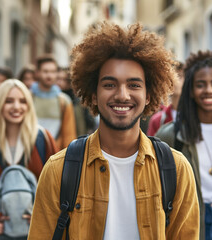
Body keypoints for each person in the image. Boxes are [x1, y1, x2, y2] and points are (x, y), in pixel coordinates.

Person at [28, 21, 199, 239]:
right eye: (109, 84)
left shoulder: (176, 169)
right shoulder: (58, 170)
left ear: (148, 96)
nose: (122, 95)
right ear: (93, 95)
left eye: (134, 85)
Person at [156, 50, 212, 240]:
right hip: (190, 219)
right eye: (200, 84)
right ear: (190, 91)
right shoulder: (171, 135)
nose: (209, 91)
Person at [0, 79, 58, 240]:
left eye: (22, 101)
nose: (16, 107)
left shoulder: (42, 138)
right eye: (9, 101)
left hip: (37, 230)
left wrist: (43, 214)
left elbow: (57, 183)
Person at [30, 55, 76, 150]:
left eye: (53, 72)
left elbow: (69, 135)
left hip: (55, 153)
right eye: (45, 71)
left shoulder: (64, 101)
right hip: (31, 152)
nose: (49, 75)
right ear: (37, 73)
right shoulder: (27, 98)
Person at [56, 67, 96, 136]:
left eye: (63, 79)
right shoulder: (56, 99)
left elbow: (90, 122)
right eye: (58, 79)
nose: (60, 82)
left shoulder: (78, 102)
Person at [147, 62, 184, 136]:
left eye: (179, 76)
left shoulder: (197, 115)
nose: (174, 81)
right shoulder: (157, 119)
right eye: (170, 77)